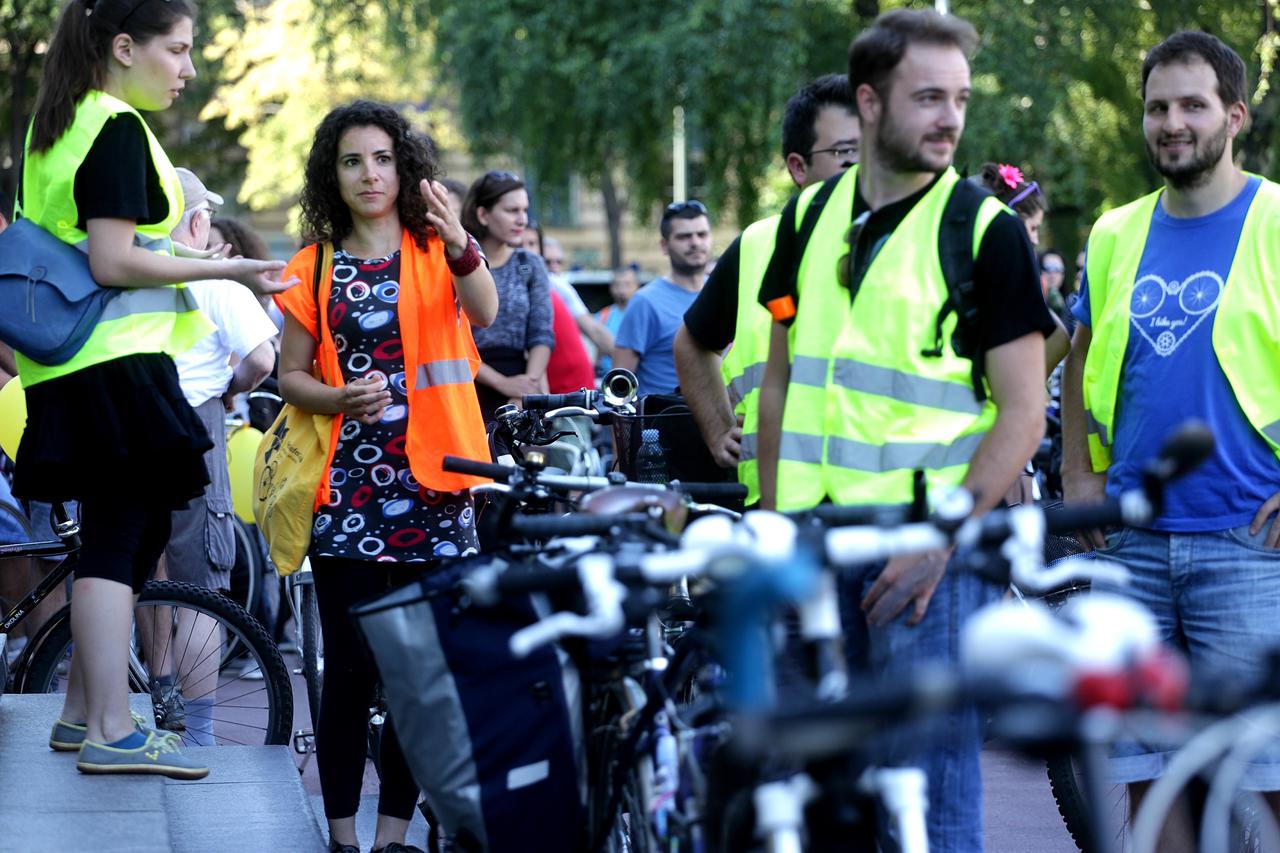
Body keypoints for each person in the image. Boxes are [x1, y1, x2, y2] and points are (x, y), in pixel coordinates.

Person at [755, 10, 1054, 849]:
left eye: (959, 98)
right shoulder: (804, 223)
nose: (950, 118)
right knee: (817, 798)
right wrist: (775, 525)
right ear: (871, 102)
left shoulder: (985, 232)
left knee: (929, 804)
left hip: (927, 566)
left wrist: (940, 540)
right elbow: (778, 382)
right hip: (813, 550)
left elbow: (1024, 411)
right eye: (928, 97)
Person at [12, 0, 286, 780]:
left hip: (79, 364)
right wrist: (227, 268)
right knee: (118, 533)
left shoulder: (57, 127)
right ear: (124, 47)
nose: (189, 68)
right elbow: (113, 259)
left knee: (133, 525)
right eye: (179, 49)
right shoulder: (116, 127)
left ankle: (78, 714)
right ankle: (109, 728)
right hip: (113, 361)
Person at [1061, 31, 1280, 845]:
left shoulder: (1277, 218)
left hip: (1249, 542)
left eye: (1192, 105)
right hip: (1133, 543)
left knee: (1268, 775)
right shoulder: (1115, 232)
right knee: (1150, 789)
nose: (1172, 123)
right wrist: (1076, 471)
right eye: (1158, 107)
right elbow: (1082, 355)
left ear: (1235, 116)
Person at [275, 99, 497, 853]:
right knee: (351, 675)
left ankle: (392, 839)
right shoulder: (315, 263)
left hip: (438, 493)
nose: (369, 174)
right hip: (351, 497)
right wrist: (337, 397)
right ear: (330, 176)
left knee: (422, 682)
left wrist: (462, 236)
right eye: (351, 161)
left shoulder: (437, 249)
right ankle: (343, 840)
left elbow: (488, 312)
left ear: (403, 168)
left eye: (381, 158)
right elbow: (289, 376)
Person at [676, 72, 859, 506]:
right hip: (777, 502)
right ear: (798, 168)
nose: (864, 167)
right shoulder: (759, 244)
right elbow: (691, 344)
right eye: (846, 152)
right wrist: (719, 431)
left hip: (886, 504)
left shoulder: (914, 242)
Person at [139, 167, 277, 745]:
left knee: (140, 567)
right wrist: (230, 387)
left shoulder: (124, 277)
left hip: (128, 422)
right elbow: (262, 361)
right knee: (199, 581)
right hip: (195, 423)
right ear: (199, 221)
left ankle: (159, 688)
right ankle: (198, 735)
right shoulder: (220, 285)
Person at [462, 171, 555, 419]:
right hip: (470, 384)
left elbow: (542, 333)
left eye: (525, 210)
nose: (522, 220)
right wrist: (502, 383)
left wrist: (527, 387)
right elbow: (451, 340)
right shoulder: (457, 263)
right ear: (483, 214)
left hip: (523, 387)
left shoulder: (530, 264)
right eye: (512, 211)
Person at [613, 201, 713, 395]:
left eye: (702, 234)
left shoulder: (724, 292)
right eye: (684, 236)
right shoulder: (645, 302)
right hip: (664, 420)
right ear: (664, 245)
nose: (695, 242)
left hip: (722, 421)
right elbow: (618, 388)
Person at [595, 265, 640, 373]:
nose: (622, 289)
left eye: (627, 284)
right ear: (611, 287)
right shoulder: (602, 316)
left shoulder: (643, 315)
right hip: (607, 378)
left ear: (637, 286)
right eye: (617, 285)